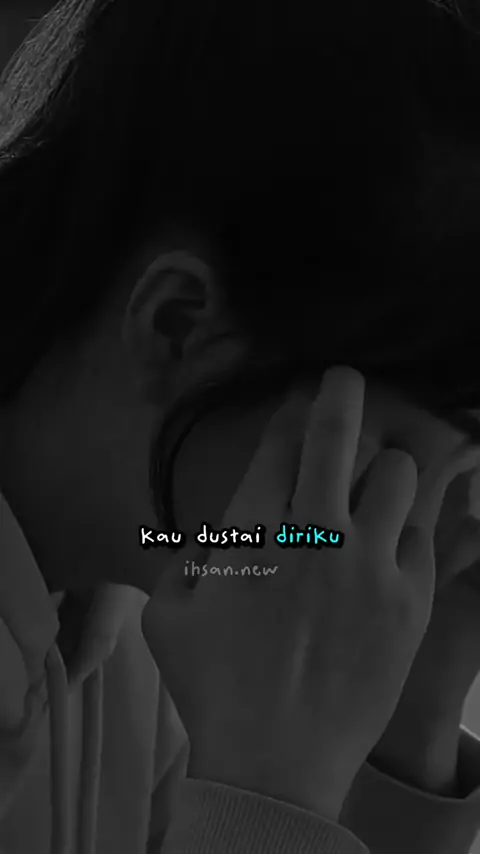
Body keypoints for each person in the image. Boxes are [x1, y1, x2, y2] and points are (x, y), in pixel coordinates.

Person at [0, 0, 480, 852]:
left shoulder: (149, 622)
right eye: (391, 477)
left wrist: (405, 731)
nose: (405, 566)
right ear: (179, 327)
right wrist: (267, 788)